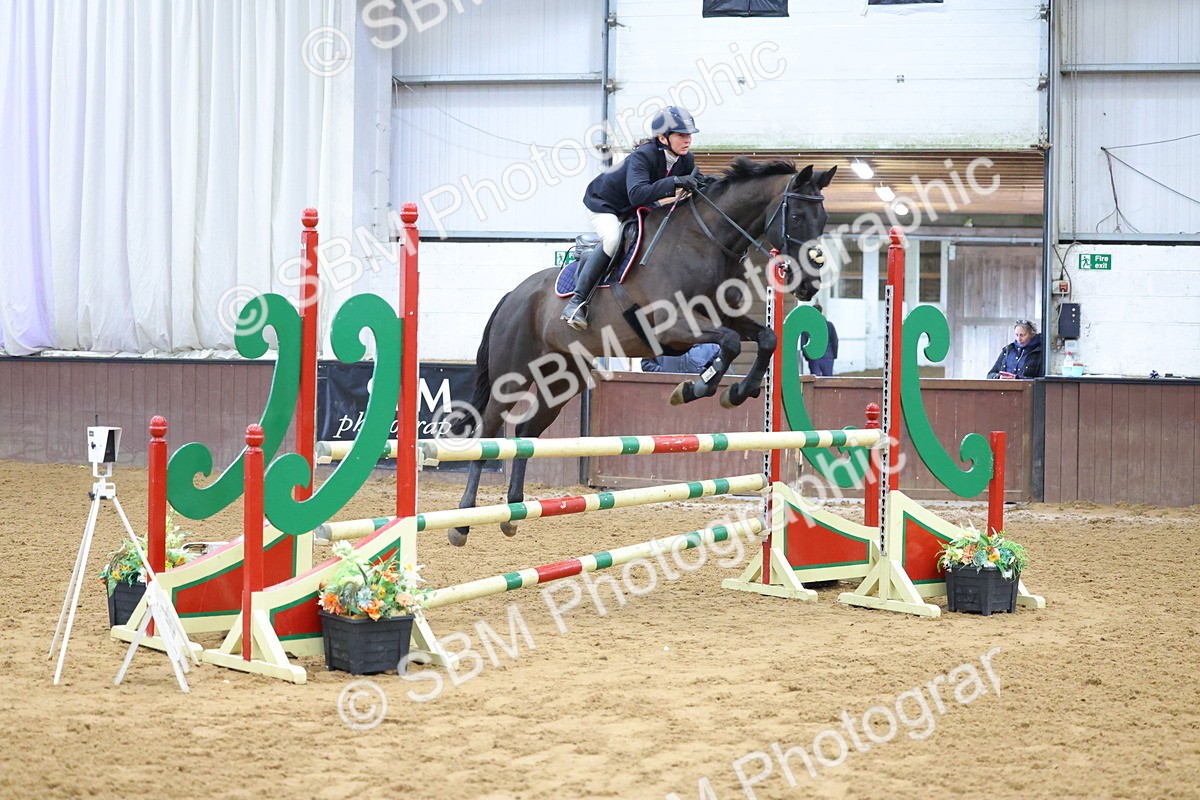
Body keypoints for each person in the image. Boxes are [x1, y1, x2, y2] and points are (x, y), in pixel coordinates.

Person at [562, 106, 706, 330]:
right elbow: (637, 193)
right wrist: (675, 182)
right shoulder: (644, 155)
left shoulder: (685, 159)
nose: (687, 140)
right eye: (681, 135)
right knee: (612, 238)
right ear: (663, 138)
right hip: (605, 203)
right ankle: (577, 302)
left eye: (689, 135)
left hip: (636, 205)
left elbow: (698, 182)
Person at [800, 303, 839, 376]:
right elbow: (835, 341)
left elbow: (803, 343)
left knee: (815, 382)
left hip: (813, 357)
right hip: (828, 356)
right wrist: (834, 355)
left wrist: (807, 357)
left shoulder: (807, 326)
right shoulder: (829, 325)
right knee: (828, 382)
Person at [641, 342, 721, 374]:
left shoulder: (712, 348)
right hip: (663, 397)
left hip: (697, 400)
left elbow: (716, 370)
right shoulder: (658, 343)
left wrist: (701, 379)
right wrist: (664, 373)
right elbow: (646, 363)